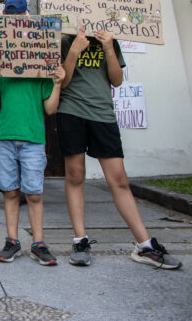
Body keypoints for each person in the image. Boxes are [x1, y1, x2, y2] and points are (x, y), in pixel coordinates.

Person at [59, 26, 182, 269]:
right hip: (71, 112)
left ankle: (144, 245)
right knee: (75, 176)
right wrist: (73, 50)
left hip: (103, 113)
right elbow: (62, 83)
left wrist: (108, 47)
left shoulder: (110, 40)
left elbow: (116, 80)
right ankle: (80, 241)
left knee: (119, 179)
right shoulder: (64, 38)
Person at [0, 0, 65, 265]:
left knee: (34, 193)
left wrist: (56, 83)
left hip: (33, 139)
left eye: (18, 16)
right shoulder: (1, 65)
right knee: (10, 191)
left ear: (26, 18)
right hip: (6, 138)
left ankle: (38, 243)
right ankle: (12, 241)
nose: (13, 20)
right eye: (9, 16)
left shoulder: (40, 64)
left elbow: (50, 109)